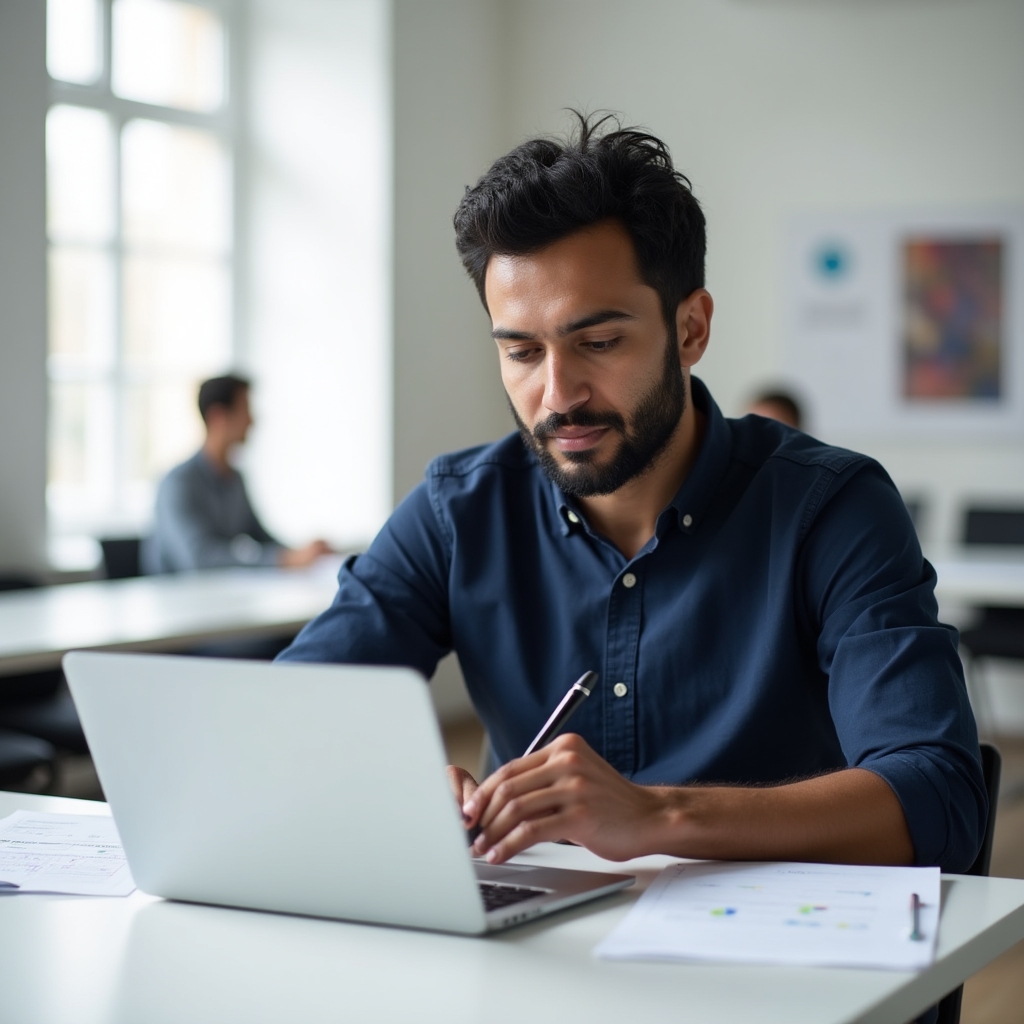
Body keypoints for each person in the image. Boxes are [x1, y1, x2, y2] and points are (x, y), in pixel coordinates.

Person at [278, 115, 985, 877]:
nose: (557, 395)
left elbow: (939, 797)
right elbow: (283, 717)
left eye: (599, 343)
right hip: (532, 962)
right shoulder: (459, 509)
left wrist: (656, 815)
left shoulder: (832, 508)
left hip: (777, 965)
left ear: (690, 328)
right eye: (520, 351)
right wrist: (393, 784)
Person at [144, 375, 331, 573]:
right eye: (245, 410)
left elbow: (259, 537)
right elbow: (199, 559)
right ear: (218, 417)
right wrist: (283, 560)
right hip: (176, 598)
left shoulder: (234, 478)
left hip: (222, 594)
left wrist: (301, 553)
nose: (252, 421)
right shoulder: (177, 484)